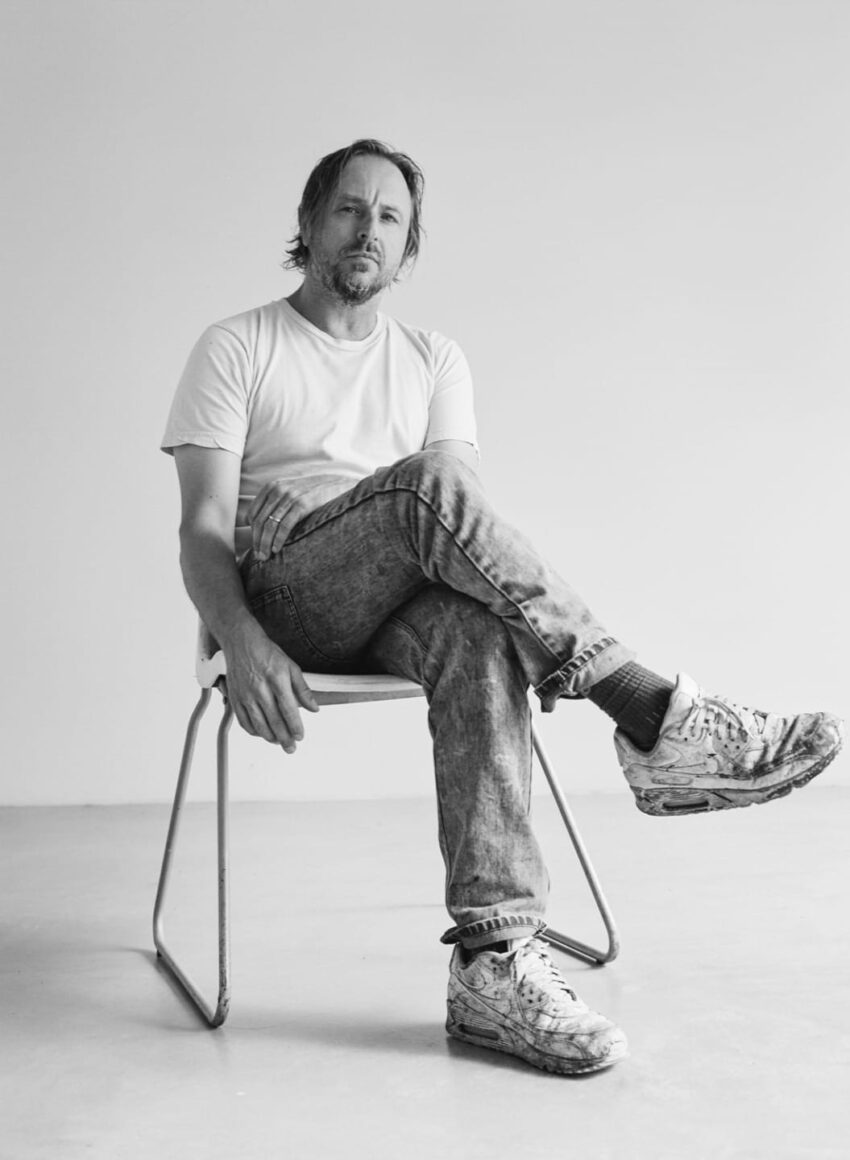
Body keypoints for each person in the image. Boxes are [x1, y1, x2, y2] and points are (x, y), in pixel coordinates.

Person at [161, 138, 843, 1076]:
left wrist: (528, 628)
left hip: (404, 594)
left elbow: (462, 540)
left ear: (409, 249)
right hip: (288, 597)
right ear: (310, 225)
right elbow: (202, 530)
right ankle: (651, 712)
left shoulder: (435, 360)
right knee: (423, 486)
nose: (369, 229)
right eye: (350, 210)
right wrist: (239, 636)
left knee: (479, 625)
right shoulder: (238, 344)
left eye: (390, 218)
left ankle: (494, 960)